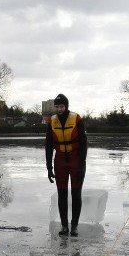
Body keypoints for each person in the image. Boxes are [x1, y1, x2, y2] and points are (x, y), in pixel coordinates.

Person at [45, 93, 88, 237]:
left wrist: (82, 164)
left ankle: (74, 225)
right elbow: (48, 145)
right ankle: (64, 226)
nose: (59, 109)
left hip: (76, 159)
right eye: (57, 107)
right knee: (62, 194)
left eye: (61, 106)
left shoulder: (76, 119)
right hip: (60, 161)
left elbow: (83, 143)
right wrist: (49, 167)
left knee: (76, 194)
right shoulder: (52, 121)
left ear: (66, 106)